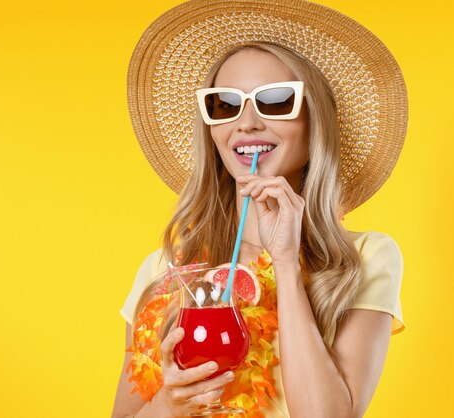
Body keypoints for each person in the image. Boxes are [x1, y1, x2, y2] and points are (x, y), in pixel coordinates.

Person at [112, 0, 407, 417]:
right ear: (212, 128)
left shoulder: (364, 260)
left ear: (314, 120)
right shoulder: (165, 271)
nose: (246, 122)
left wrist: (286, 264)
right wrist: (169, 403)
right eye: (226, 104)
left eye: (274, 100)